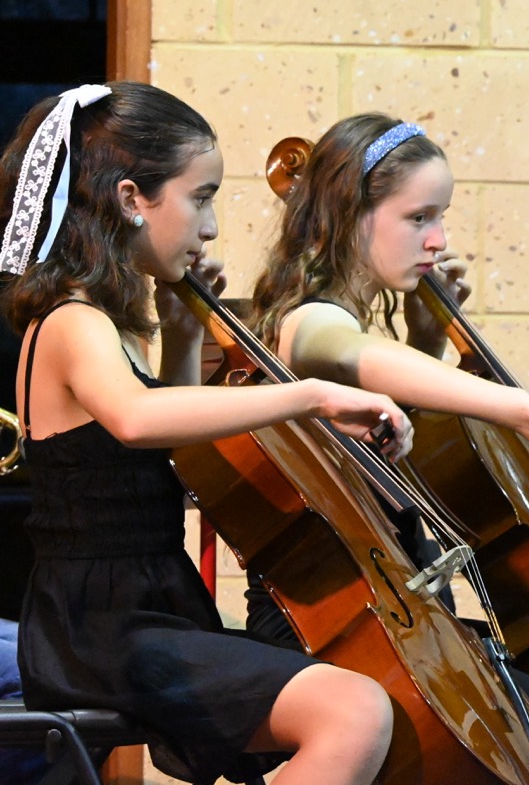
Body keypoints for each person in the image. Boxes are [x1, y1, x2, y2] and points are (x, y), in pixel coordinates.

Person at [0, 82, 415, 785]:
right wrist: (306, 395)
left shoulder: (106, 324)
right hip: (101, 629)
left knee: (359, 704)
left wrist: (184, 338)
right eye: (201, 196)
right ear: (132, 199)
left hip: (144, 610)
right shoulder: (72, 320)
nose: (213, 226)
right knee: (352, 712)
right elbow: (136, 419)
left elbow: (164, 444)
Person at [248, 112, 529, 776]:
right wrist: (528, 410)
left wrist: (424, 338)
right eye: (419, 217)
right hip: (331, 619)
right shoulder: (311, 321)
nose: (439, 239)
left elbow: (396, 434)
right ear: (351, 215)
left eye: (440, 217)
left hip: (395, 611)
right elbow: (351, 353)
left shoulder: (348, 316)